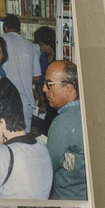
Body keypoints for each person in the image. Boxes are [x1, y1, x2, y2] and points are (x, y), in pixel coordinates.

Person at [42, 60, 86, 200]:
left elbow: (46, 168)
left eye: (49, 85)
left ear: (68, 89)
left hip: (65, 199)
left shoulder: (62, 123)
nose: (44, 89)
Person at [0, 14, 41, 130]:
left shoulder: (0, 41)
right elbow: (37, 77)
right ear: (19, 29)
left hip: (6, 101)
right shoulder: (30, 45)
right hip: (26, 103)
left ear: (5, 27)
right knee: (24, 140)